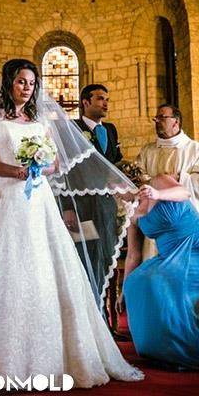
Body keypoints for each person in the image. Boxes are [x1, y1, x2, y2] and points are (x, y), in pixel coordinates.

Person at [0, 59, 144, 390]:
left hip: (38, 201)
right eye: (22, 82)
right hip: (5, 200)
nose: (28, 88)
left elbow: (54, 162)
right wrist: (17, 172)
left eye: (32, 83)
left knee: (44, 265)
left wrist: (40, 167)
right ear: (9, 83)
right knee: (5, 266)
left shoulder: (41, 120)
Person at [118, 172, 199, 369]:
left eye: (117, 189)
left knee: (157, 282)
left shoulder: (158, 182)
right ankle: (161, 349)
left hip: (196, 249)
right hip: (169, 257)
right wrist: (123, 290)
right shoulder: (132, 214)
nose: (117, 195)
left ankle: (185, 349)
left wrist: (157, 194)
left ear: (130, 182)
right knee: (136, 282)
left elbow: (184, 192)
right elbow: (133, 255)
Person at [61, 84, 124, 307]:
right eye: (100, 99)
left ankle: (103, 311)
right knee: (84, 253)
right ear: (85, 102)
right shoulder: (71, 128)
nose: (105, 103)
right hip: (80, 205)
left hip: (106, 204)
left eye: (107, 99)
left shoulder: (111, 129)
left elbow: (116, 164)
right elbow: (66, 171)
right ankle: (85, 308)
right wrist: (67, 206)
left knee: (106, 254)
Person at [135, 105, 199, 235]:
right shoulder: (147, 150)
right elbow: (138, 175)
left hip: (184, 214)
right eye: (156, 118)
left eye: (162, 117)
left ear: (176, 121)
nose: (157, 121)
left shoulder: (195, 149)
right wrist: (157, 183)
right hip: (154, 212)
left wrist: (180, 178)